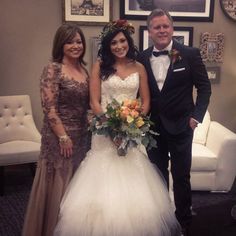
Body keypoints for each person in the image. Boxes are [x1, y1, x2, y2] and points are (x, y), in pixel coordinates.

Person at [54, 19, 181, 236]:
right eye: (113, 43)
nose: (119, 46)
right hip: (104, 133)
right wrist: (111, 128)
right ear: (108, 45)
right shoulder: (99, 66)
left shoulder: (139, 67)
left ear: (128, 42)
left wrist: (132, 125)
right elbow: (94, 102)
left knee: (134, 177)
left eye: (122, 41)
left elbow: (146, 102)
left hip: (132, 132)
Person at [137, 9, 211, 235]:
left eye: (165, 26)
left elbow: (204, 88)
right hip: (153, 128)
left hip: (181, 126)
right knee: (157, 176)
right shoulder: (141, 57)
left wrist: (196, 117)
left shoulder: (189, 54)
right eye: (156, 27)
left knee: (181, 177)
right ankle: (162, 219)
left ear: (172, 28)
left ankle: (184, 221)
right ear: (149, 32)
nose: (161, 30)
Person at [22, 23, 90, 236]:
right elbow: (49, 108)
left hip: (82, 136)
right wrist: (63, 137)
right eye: (70, 41)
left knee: (75, 185)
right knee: (59, 185)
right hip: (59, 137)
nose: (75, 46)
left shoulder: (84, 70)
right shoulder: (53, 68)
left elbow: (86, 107)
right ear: (61, 44)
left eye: (78, 41)